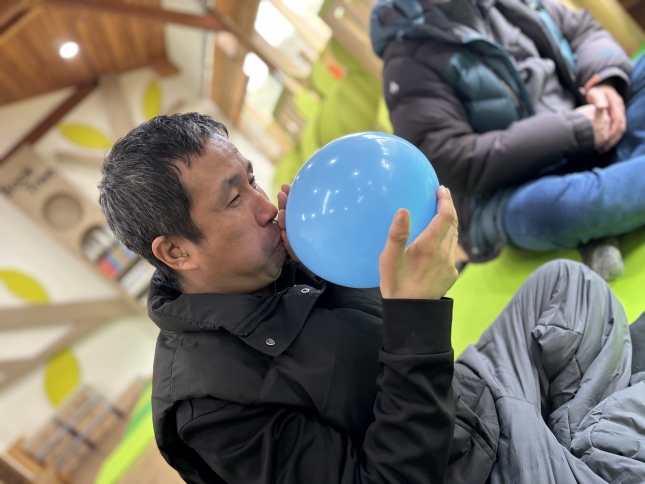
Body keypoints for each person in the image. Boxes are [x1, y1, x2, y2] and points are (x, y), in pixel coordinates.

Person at [98, 113, 645, 483]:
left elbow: (371, 327)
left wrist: (329, 256)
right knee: (630, 410)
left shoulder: (286, 263)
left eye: (253, 180)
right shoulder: (210, 409)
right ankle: (577, 449)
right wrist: (417, 317)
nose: (266, 207)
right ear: (176, 251)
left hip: (470, 401)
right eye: (234, 199)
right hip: (458, 469)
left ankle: (563, 449)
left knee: (565, 285)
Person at [371, 0, 645, 281]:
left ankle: (603, 216)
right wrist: (574, 130)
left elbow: (582, 31)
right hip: (517, 187)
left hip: (593, 127)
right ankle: (611, 195)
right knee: (547, 210)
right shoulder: (405, 63)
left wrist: (604, 82)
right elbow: (455, 160)